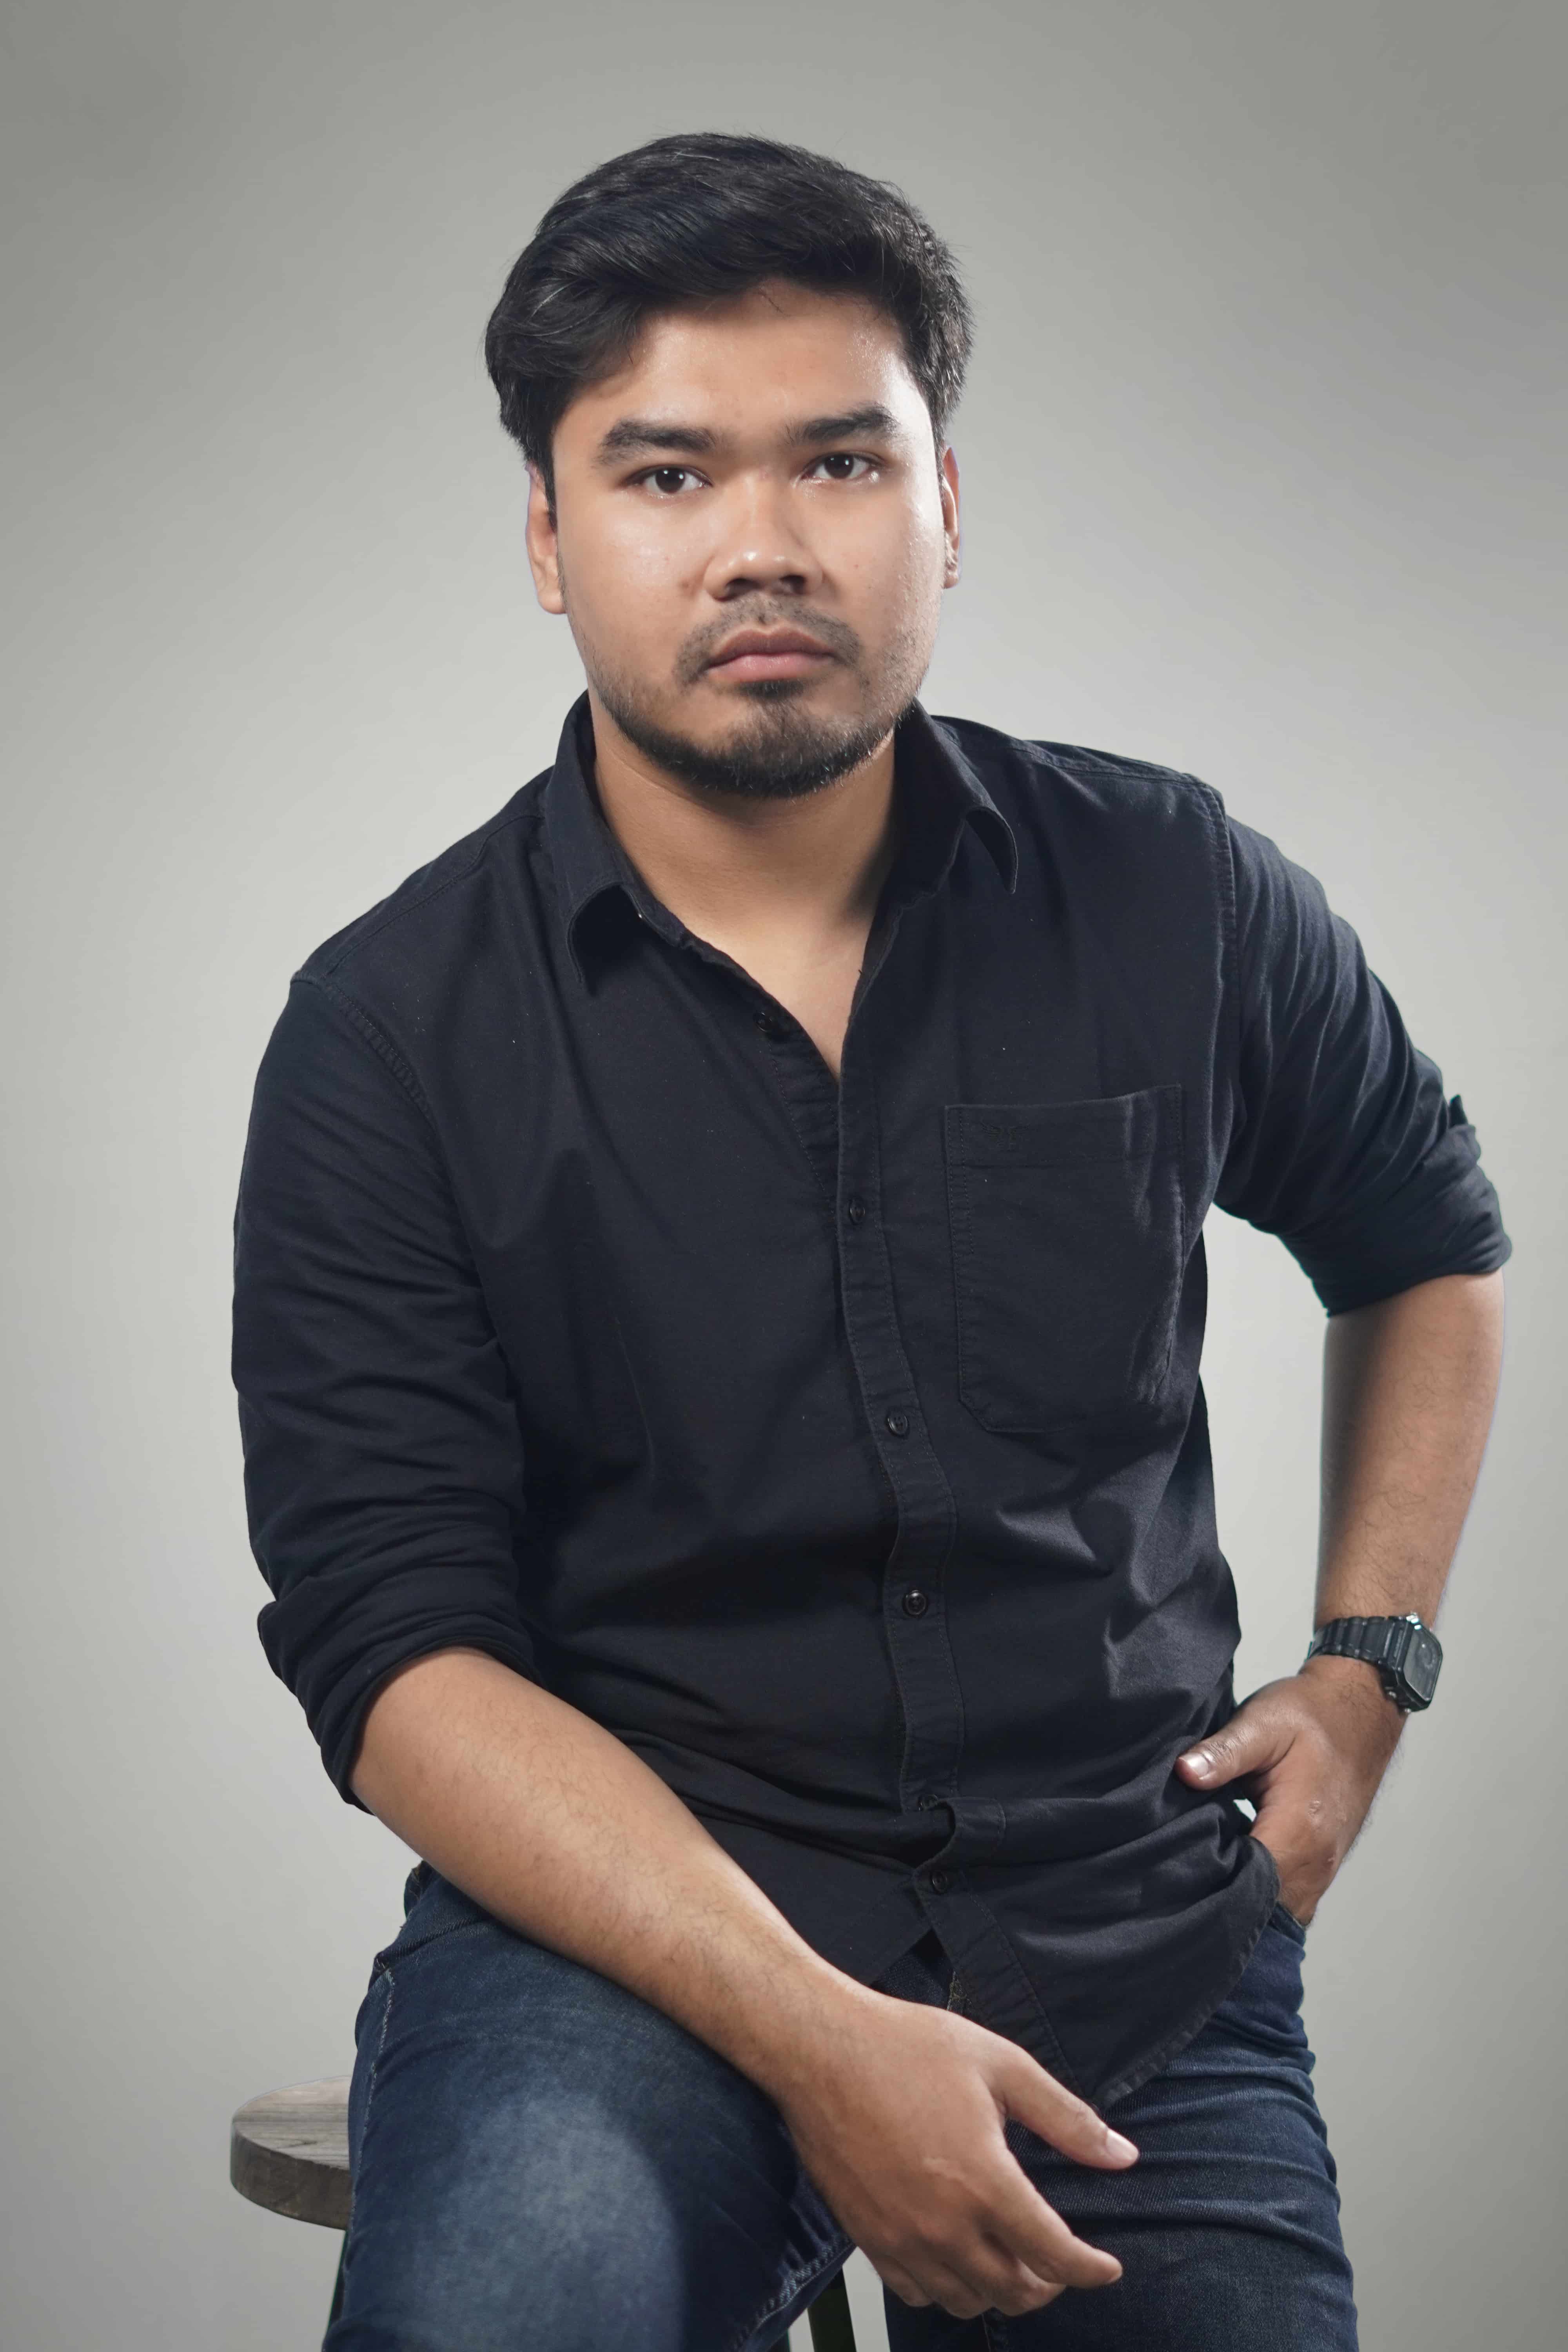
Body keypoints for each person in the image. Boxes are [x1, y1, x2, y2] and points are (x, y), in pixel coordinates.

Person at [231, 132, 1509, 2352]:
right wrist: (819, 2034)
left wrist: (1368, 1668)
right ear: (547, 534)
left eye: (839, 461)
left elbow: (1428, 1242)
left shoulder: (1175, 893)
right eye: (664, 475)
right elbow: (395, 1650)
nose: (761, 544)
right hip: (621, 1945)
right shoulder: (390, 1028)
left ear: (946, 504)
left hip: (1125, 1933)